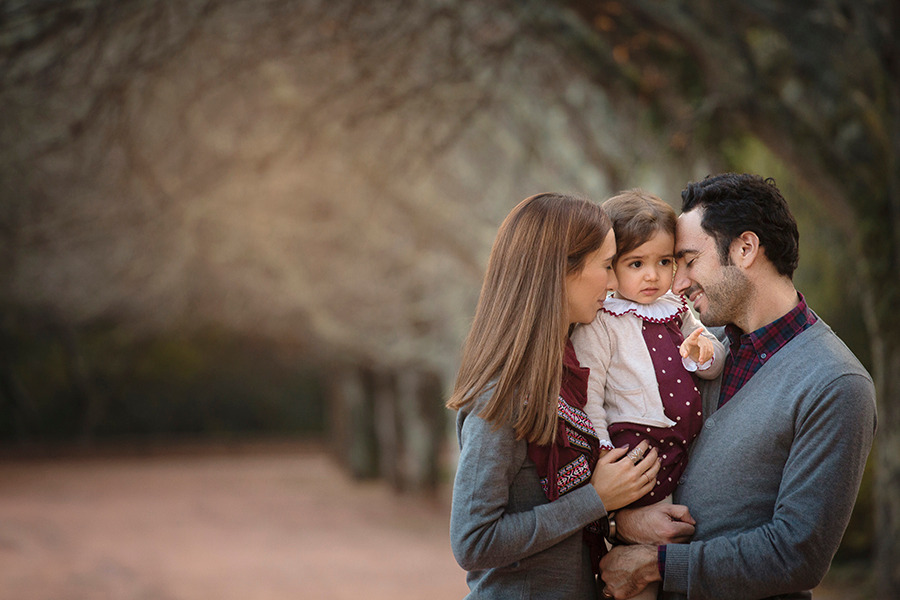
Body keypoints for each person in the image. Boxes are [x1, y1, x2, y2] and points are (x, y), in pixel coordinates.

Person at [598, 173, 877, 600]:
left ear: (745, 249)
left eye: (688, 261)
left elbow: (797, 554)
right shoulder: (697, 351)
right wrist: (624, 522)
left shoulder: (836, 384)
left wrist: (659, 565)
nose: (676, 284)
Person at [447, 192, 675, 599]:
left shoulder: (567, 374)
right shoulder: (501, 396)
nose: (612, 282)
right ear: (562, 271)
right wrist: (595, 500)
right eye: (607, 265)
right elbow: (474, 542)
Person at [571, 189, 726, 600]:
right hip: (637, 450)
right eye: (635, 264)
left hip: (681, 446)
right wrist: (603, 450)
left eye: (664, 262)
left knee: (673, 539)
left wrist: (701, 354)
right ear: (611, 267)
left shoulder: (676, 306)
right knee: (641, 544)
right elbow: (590, 394)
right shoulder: (601, 321)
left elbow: (714, 360)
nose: (652, 276)